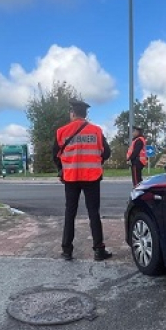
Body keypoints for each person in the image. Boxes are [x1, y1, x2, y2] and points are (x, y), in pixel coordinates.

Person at [53, 99, 112, 261]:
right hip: (92, 177)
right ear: (85, 115)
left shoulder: (61, 132)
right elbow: (106, 153)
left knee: (70, 213)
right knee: (94, 213)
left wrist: (61, 169)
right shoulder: (96, 131)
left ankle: (67, 250)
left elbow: (55, 155)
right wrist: (96, 162)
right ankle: (99, 250)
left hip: (71, 177)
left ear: (72, 114)